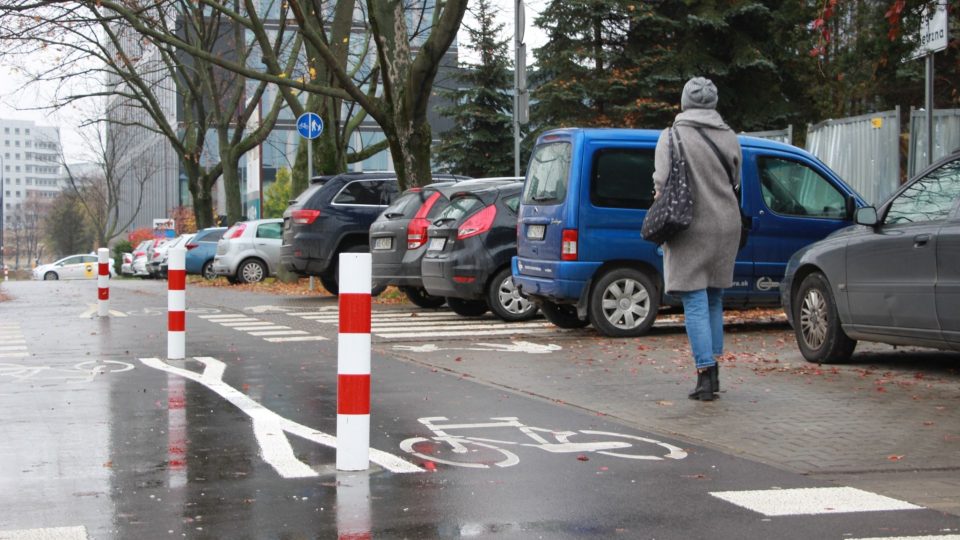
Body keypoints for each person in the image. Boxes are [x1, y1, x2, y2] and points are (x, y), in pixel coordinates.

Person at [652, 77, 741, 401]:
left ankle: (704, 376)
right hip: (727, 225)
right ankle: (713, 370)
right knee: (714, 297)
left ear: (685, 103)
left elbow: (661, 181)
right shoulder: (729, 136)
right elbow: (735, 178)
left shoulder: (672, 136)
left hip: (689, 226)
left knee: (694, 301)